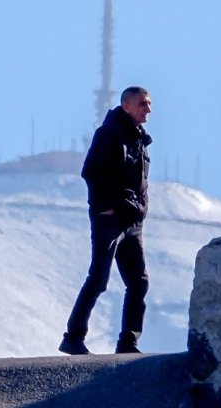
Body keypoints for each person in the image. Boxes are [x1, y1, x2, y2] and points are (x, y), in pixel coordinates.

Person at [59, 86, 153, 356]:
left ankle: (128, 343)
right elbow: (91, 172)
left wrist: (142, 209)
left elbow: (140, 182)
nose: (148, 109)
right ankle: (73, 337)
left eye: (148, 104)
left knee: (139, 282)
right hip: (110, 221)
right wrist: (105, 208)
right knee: (99, 278)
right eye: (142, 104)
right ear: (126, 105)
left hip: (132, 223)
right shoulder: (109, 134)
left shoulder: (139, 139)